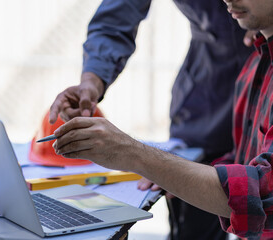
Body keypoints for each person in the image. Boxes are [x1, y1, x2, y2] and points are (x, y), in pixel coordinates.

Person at [50, 0, 273, 238]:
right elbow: (118, 14)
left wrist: (137, 155)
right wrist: (169, 170)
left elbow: (262, 197)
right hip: (213, 96)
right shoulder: (252, 74)